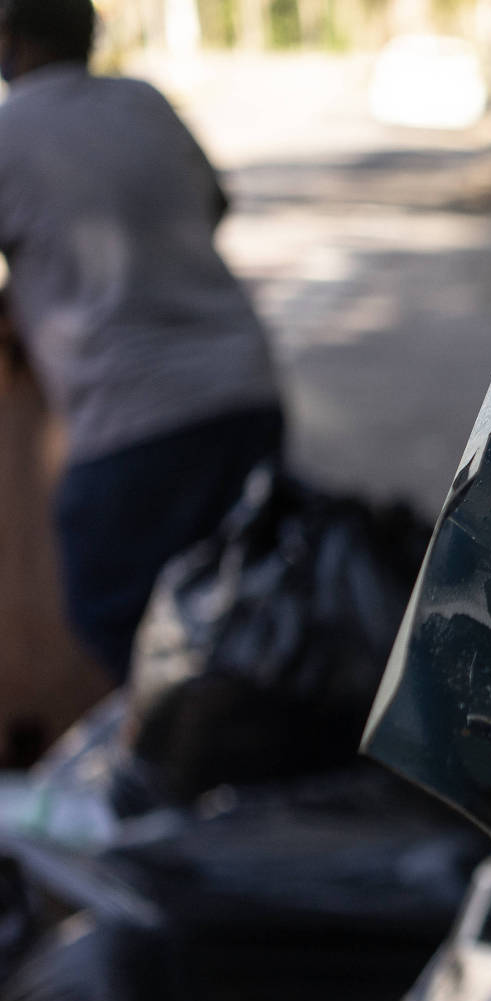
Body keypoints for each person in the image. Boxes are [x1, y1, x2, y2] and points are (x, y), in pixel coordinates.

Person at [0, 0, 282, 681]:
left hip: (132, 425)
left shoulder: (9, 133)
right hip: (245, 392)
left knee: (113, 618)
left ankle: (172, 771)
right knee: (239, 605)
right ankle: (236, 759)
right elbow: (213, 203)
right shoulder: (144, 101)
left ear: (13, 42)